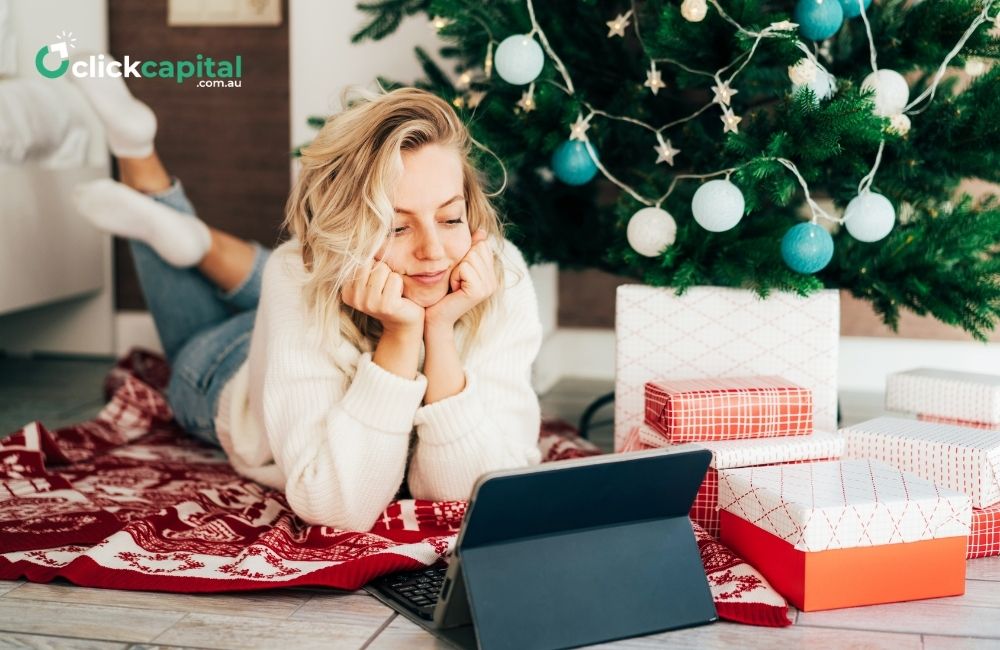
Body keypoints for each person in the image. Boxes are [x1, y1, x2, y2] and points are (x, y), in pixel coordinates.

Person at [70, 67, 544, 532]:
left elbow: (471, 491)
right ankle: (145, 165)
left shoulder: (499, 268)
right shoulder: (298, 273)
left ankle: (193, 237)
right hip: (225, 367)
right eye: (397, 226)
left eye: (450, 218)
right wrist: (401, 336)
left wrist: (437, 331)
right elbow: (338, 504)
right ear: (347, 231)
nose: (434, 250)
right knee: (277, 282)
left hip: (325, 316)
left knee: (306, 271)